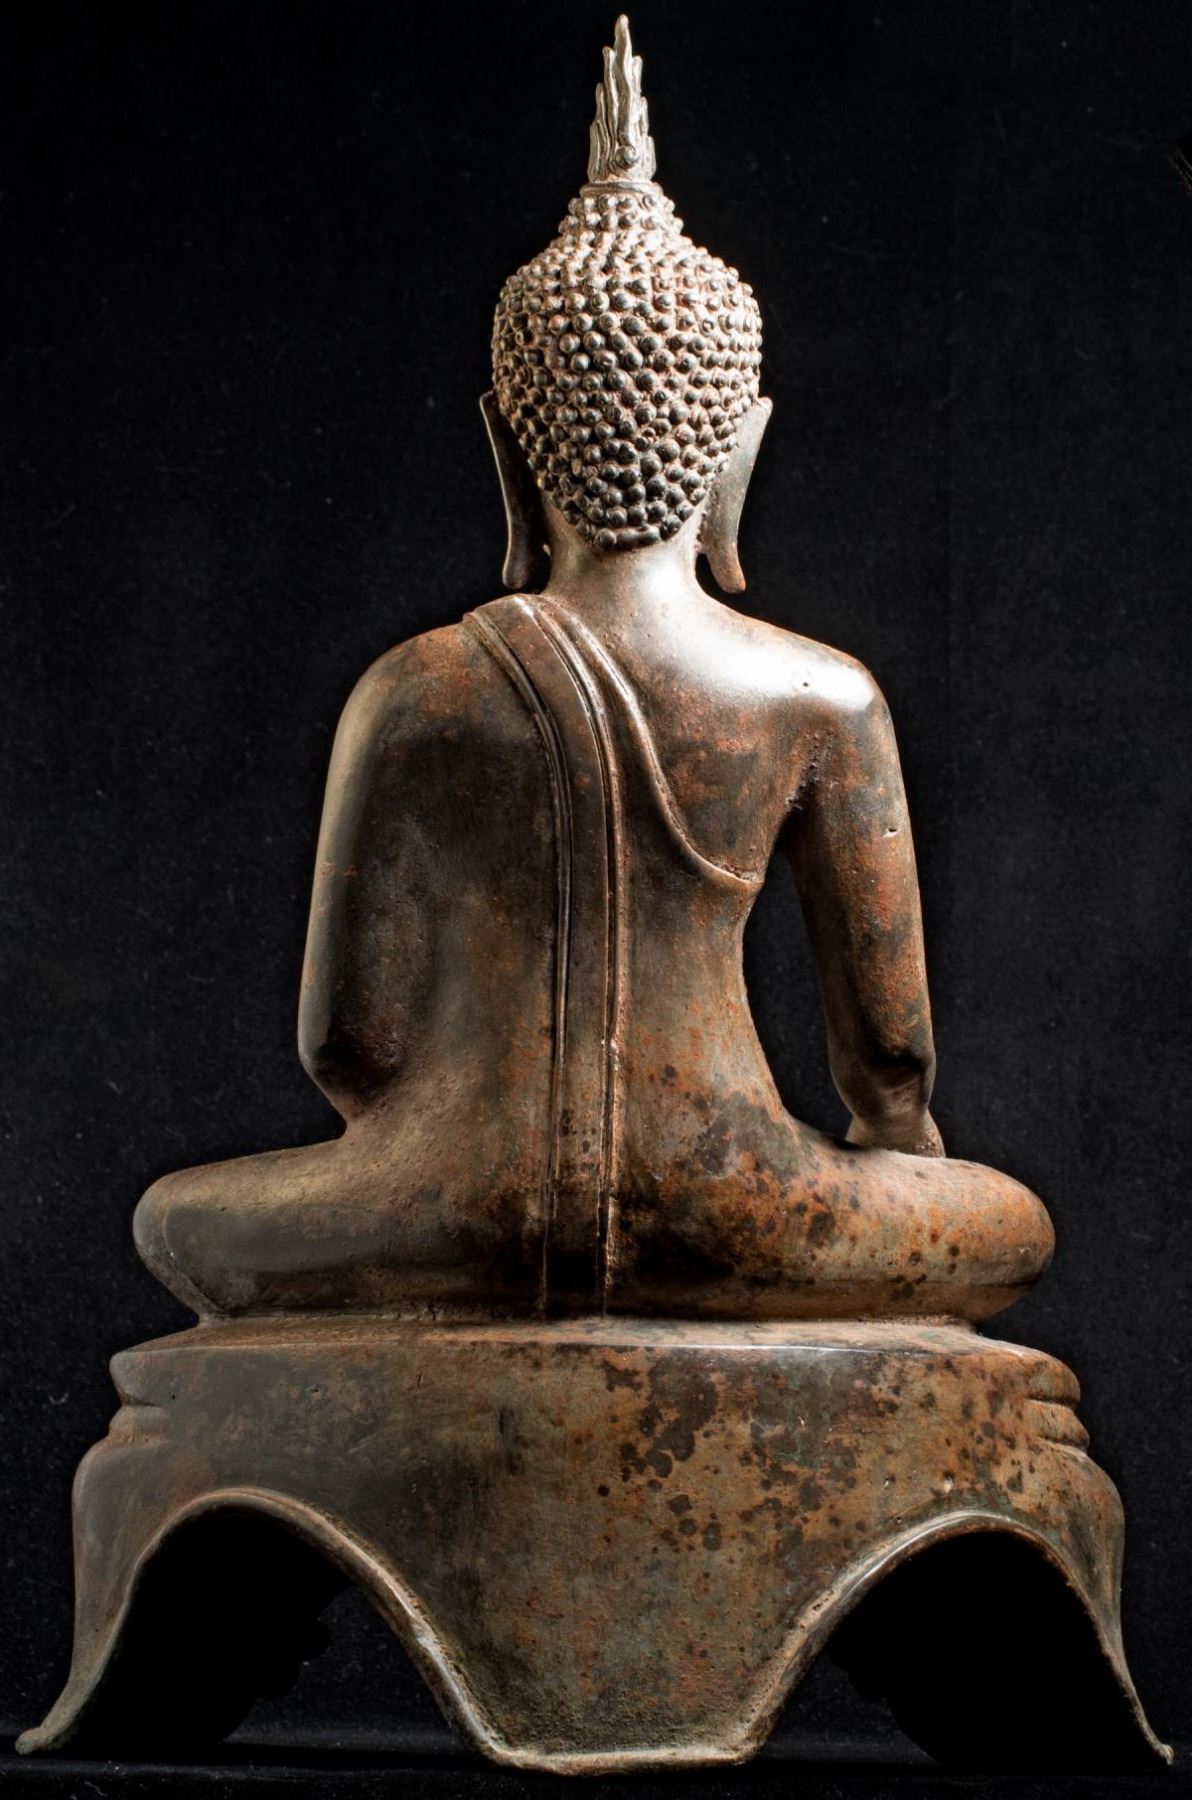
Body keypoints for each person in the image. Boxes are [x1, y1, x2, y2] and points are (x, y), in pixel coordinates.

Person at [135, 18, 1052, 1325]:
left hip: (457, 1206)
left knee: (173, 1221)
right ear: (739, 457)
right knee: (1008, 1226)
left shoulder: (414, 689)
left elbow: (349, 1047)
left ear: (509, 454)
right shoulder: (819, 699)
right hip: (737, 1207)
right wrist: (900, 1155)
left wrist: (455, 1146)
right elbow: (891, 1060)